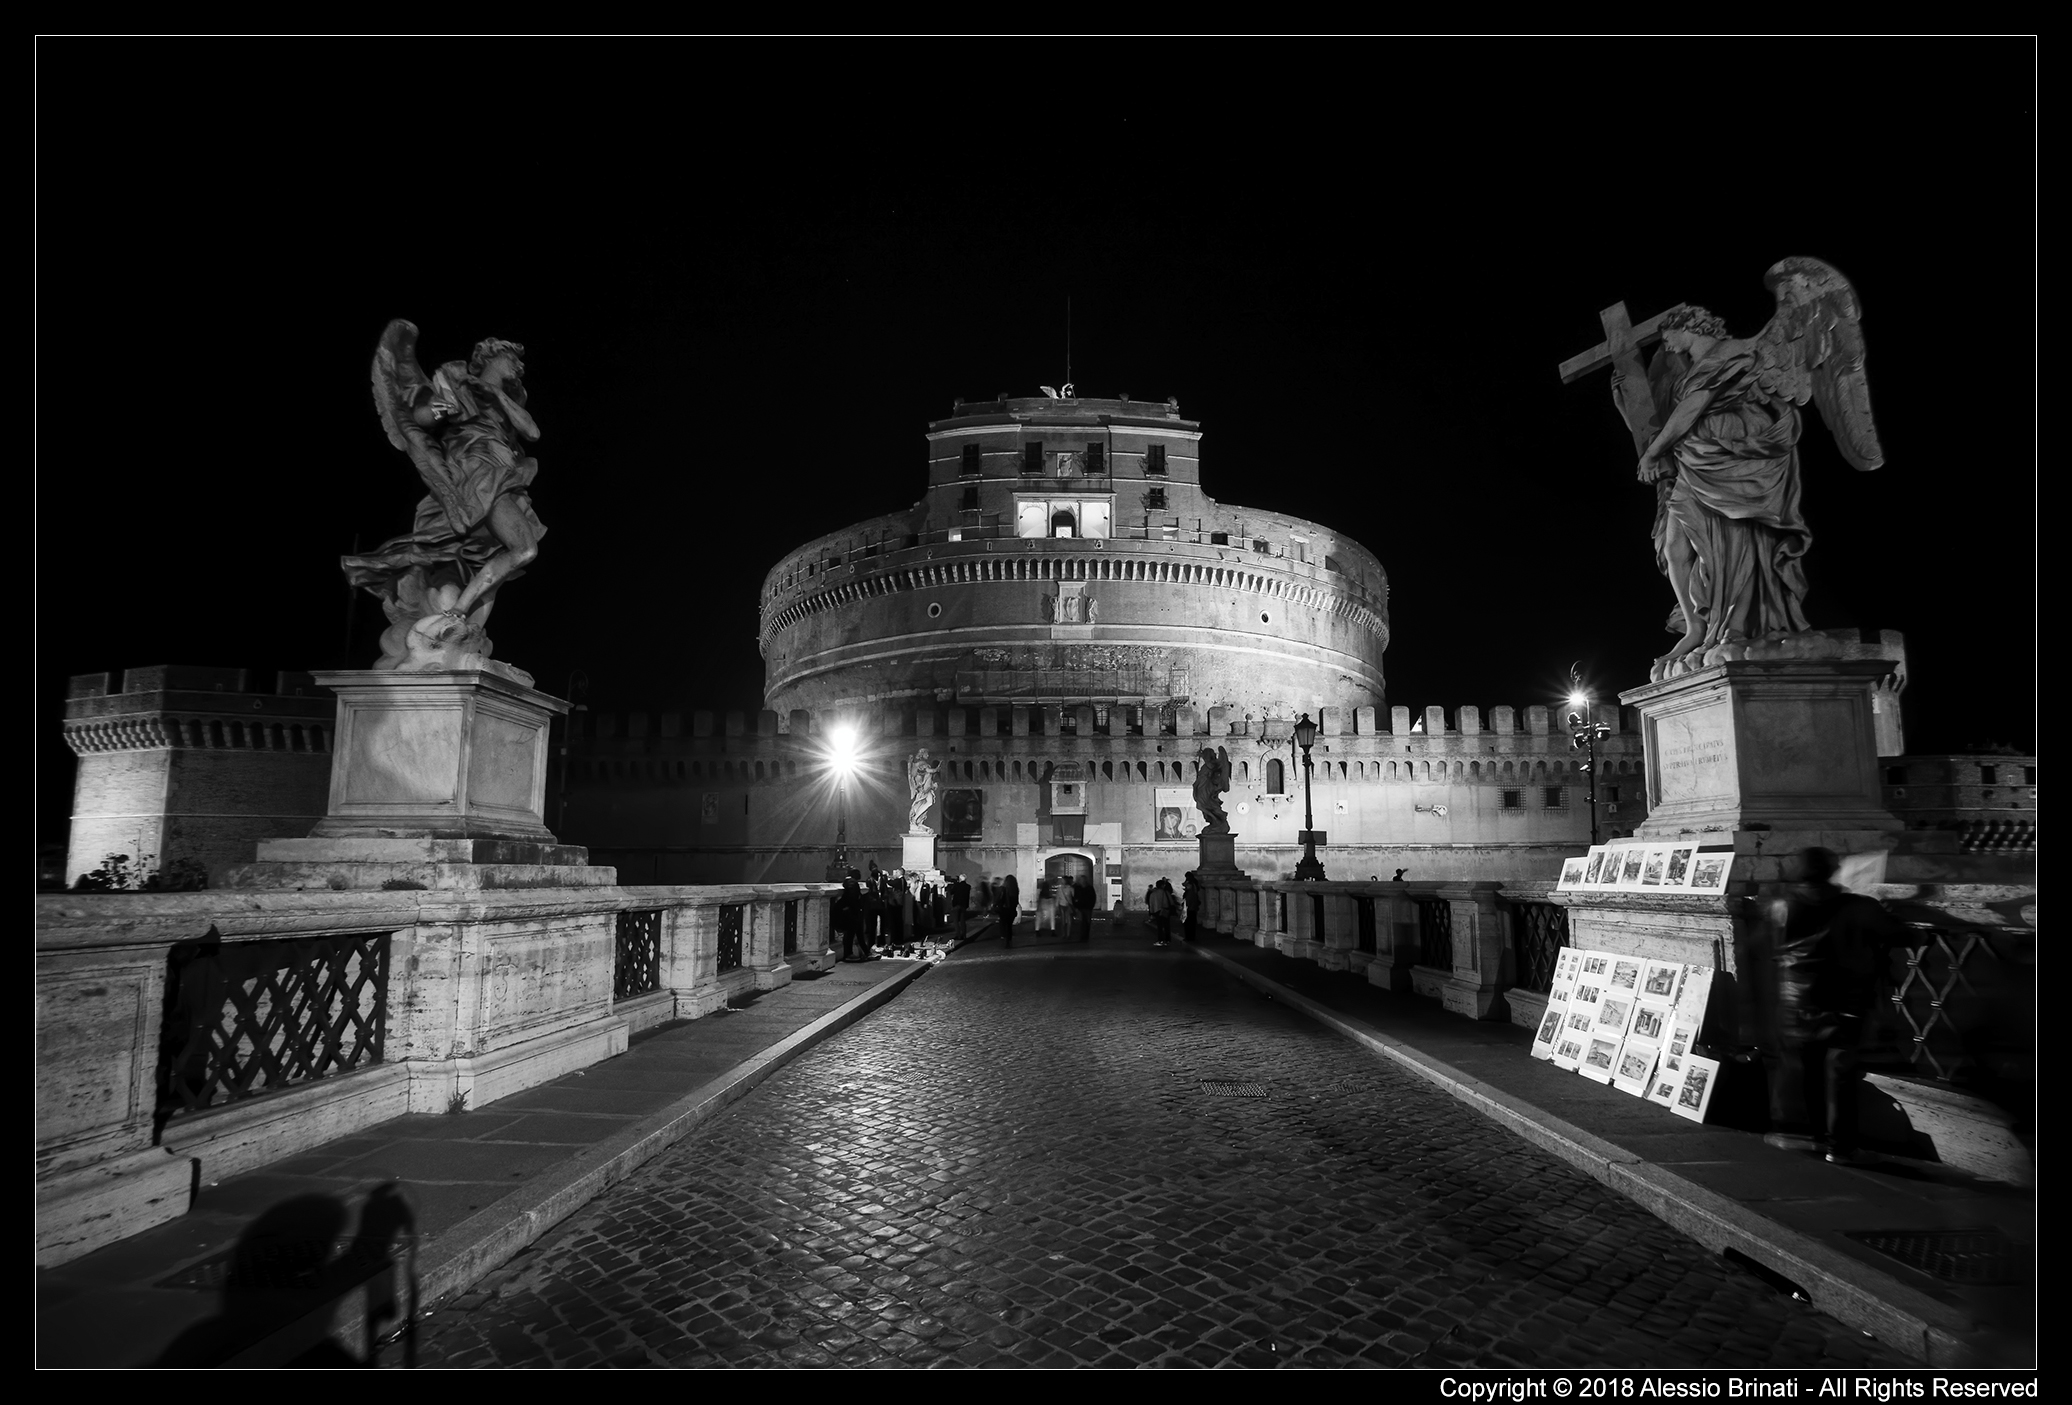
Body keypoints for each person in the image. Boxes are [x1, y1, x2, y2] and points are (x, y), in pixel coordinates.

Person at [1761, 847, 1912, 1164]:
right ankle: (1839, 1147)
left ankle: (1815, 1136)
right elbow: (1903, 934)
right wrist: (1885, 913)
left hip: (1795, 1000)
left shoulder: (1780, 905)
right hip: (1845, 1002)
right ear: (1832, 871)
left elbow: (1771, 944)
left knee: (1809, 1071)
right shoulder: (1859, 906)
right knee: (1839, 1073)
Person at [1147, 879, 1172, 946]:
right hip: (1165, 910)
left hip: (1157, 911)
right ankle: (1167, 940)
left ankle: (1160, 940)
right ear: (1163, 885)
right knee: (1167, 925)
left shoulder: (1153, 894)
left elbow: (1151, 904)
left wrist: (1151, 913)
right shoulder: (1166, 892)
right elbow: (1171, 901)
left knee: (1160, 926)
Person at [998, 872, 1020, 946]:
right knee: (1009, 925)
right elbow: (1016, 901)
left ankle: (1004, 937)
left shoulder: (1003, 889)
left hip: (1004, 909)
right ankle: (1009, 938)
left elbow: (1000, 899)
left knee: (1004, 924)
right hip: (1012, 909)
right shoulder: (1015, 889)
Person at [1072, 874, 1095, 942]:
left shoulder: (1089, 888)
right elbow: (1075, 897)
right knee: (1082, 922)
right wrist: (1076, 905)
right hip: (1081, 907)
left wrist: (1091, 906)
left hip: (1087, 907)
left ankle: (1086, 935)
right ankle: (1082, 935)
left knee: (1087, 922)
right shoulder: (1078, 888)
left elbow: (1093, 897)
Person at [948, 874, 970, 943]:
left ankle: (958, 935)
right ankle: (963, 935)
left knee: (956, 921)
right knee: (962, 921)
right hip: (964, 905)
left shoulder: (957, 885)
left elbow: (951, 892)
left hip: (956, 905)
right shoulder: (968, 886)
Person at [1181, 872, 1202, 941]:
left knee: (1188, 924)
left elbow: (1187, 902)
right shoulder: (1194, 891)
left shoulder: (1189, 893)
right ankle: (1191, 937)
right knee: (1192, 923)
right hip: (1193, 909)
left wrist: (1184, 908)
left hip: (1189, 909)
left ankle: (1189, 937)